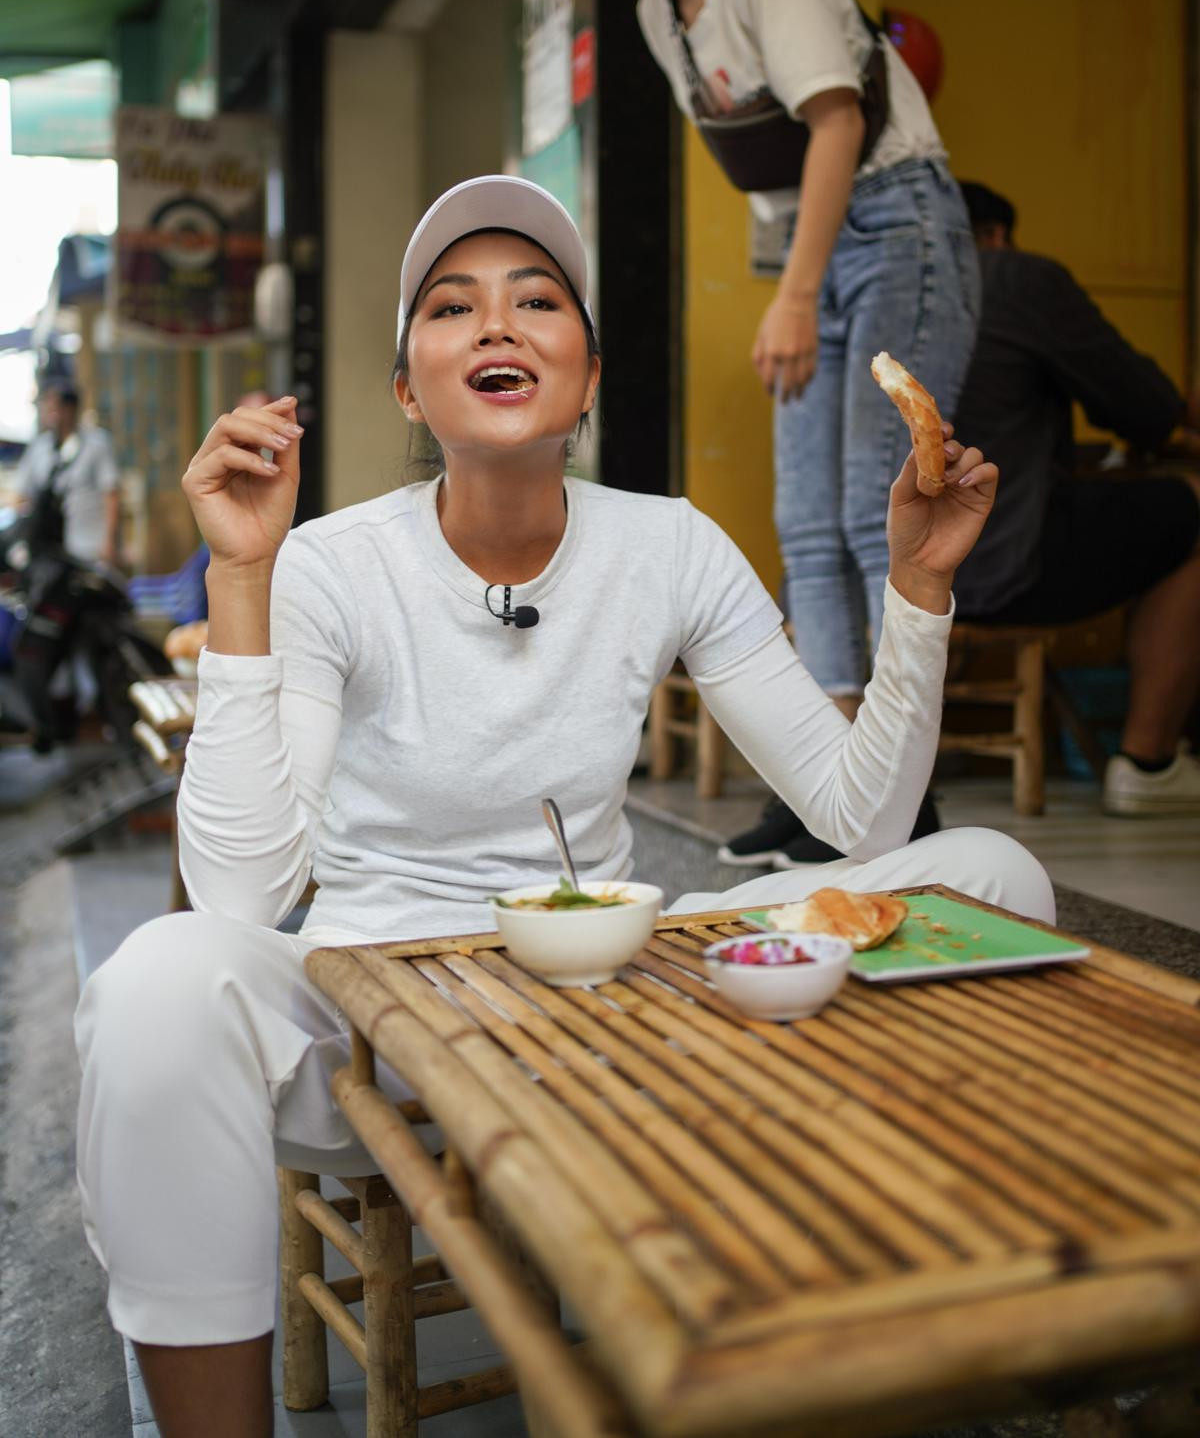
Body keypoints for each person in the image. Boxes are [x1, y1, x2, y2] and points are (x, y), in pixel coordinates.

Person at [75, 176, 1050, 1435]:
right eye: (452, 306)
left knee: (990, 876)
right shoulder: (326, 561)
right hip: (373, 1026)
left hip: (617, 1003)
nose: (496, 325)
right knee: (161, 981)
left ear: (586, 380)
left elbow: (865, 822)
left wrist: (918, 590)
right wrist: (244, 574)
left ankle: (930, 1315)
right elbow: (244, 894)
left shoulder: (672, 545)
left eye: (537, 300)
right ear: (406, 386)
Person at [552, 0, 980, 865]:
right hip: (818, 246)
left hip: (899, 217)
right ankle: (831, 778)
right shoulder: (657, 13)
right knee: (802, 518)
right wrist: (791, 281)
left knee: (872, 503)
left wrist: (795, 294)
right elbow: (767, 177)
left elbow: (835, 118)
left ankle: (902, 790)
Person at [953, 182, 1200, 816]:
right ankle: (1148, 762)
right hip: (998, 568)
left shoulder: (875, 292)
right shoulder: (1012, 277)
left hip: (882, 573)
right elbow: (1139, 402)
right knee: (1190, 510)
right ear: (997, 235)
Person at [14, 377, 122, 567]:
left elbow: (111, 493)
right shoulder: (40, 447)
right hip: (48, 546)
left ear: (71, 409)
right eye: (47, 406)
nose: (50, 413)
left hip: (88, 543)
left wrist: (110, 540)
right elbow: (22, 494)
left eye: (55, 406)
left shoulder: (96, 444)